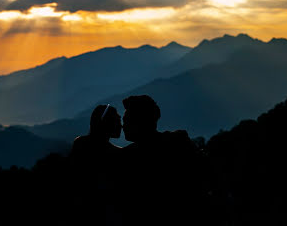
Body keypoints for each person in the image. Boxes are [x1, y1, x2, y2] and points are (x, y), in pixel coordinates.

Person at [120, 95, 207, 225]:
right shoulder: (178, 141)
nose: (123, 127)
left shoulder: (128, 157)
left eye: (126, 121)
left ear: (140, 122)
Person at [69, 104, 123, 226]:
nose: (121, 125)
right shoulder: (117, 154)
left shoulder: (80, 144)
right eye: (118, 121)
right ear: (106, 123)